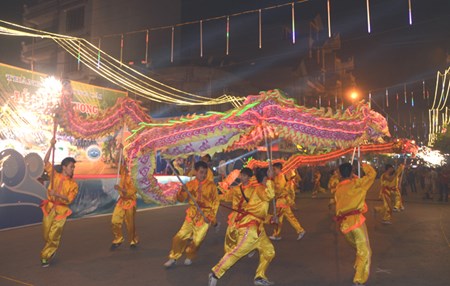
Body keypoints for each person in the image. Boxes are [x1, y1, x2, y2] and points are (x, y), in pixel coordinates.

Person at [208, 168, 275, 286]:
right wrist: (270, 179)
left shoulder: (258, 189)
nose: (273, 175)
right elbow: (270, 195)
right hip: (250, 227)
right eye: (270, 174)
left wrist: (270, 218)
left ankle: (259, 276)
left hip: (257, 228)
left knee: (269, 252)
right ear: (265, 177)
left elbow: (259, 211)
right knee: (236, 252)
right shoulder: (260, 188)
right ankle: (215, 273)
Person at [164, 161, 219, 268]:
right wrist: (182, 191)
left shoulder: (211, 186)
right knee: (179, 237)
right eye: (201, 172)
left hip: (205, 216)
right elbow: (180, 199)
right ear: (195, 171)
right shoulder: (189, 184)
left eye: (205, 173)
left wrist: (211, 217)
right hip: (192, 214)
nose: (203, 175)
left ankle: (190, 254)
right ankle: (173, 257)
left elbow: (216, 202)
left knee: (197, 240)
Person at [334, 161, 376, 286]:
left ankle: (358, 267)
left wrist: (353, 176)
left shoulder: (338, 188)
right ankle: (359, 278)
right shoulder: (357, 184)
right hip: (356, 222)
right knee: (365, 251)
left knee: (360, 249)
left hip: (344, 225)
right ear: (352, 172)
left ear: (341, 174)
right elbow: (372, 174)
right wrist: (363, 163)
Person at [40, 138, 78, 267]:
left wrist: (57, 195)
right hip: (50, 207)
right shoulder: (54, 175)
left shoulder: (73, 184)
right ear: (64, 167)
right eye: (71, 167)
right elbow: (45, 162)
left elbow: (70, 199)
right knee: (46, 233)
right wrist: (51, 146)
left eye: (73, 167)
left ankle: (45, 256)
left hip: (61, 211)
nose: (73, 169)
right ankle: (51, 249)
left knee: (54, 235)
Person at [269, 163, 306, 241]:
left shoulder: (281, 177)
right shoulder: (277, 177)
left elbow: (279, 189)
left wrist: (272, 189)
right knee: (283, 217)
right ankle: (277, 234)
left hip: (281, 200)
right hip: (281, 200)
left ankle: (300, 230)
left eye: (274, 169)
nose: (273, 171)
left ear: (278, 168)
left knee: (281, 217)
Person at [110, 161, 139, 250]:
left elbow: (132, 192)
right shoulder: (123, 171)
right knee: (114, 221)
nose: (127, 164)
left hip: (130, 202)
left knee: (130, 224)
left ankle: (133, 240)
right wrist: (119, 149)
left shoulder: (135, 177)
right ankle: (118, 239)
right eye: (127, 162)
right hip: (121, 201)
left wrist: (120, 189)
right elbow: (117, 161)